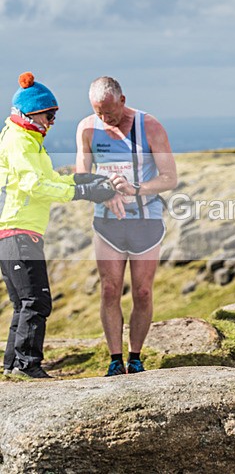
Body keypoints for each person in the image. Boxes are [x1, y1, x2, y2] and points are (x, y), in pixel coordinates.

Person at [1, 72, 116, 379]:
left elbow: (49, 180)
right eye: (49, 115)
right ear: (30, 112)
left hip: (19, 231)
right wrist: (81, 192)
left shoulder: (29, 140)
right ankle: (27, 365)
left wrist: (80, 180)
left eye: (55, 116)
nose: (52, 122)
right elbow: (34, 185)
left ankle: (13, 366)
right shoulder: (20, 140)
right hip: (17, 231)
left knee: (23, 303)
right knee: (35, 300)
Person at [76, 77, 177, 377]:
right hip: (107, 222)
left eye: (110, 111)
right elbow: (82, 176)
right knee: (109, 289)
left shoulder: (150, 126)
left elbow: (170, 178)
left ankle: (135, 356)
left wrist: (135, 188)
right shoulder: (87, 128)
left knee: (143, 292)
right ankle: (113, 359)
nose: (105, 118)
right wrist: (103, 194)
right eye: (99, 112)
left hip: (146, 220)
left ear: (122, 100)